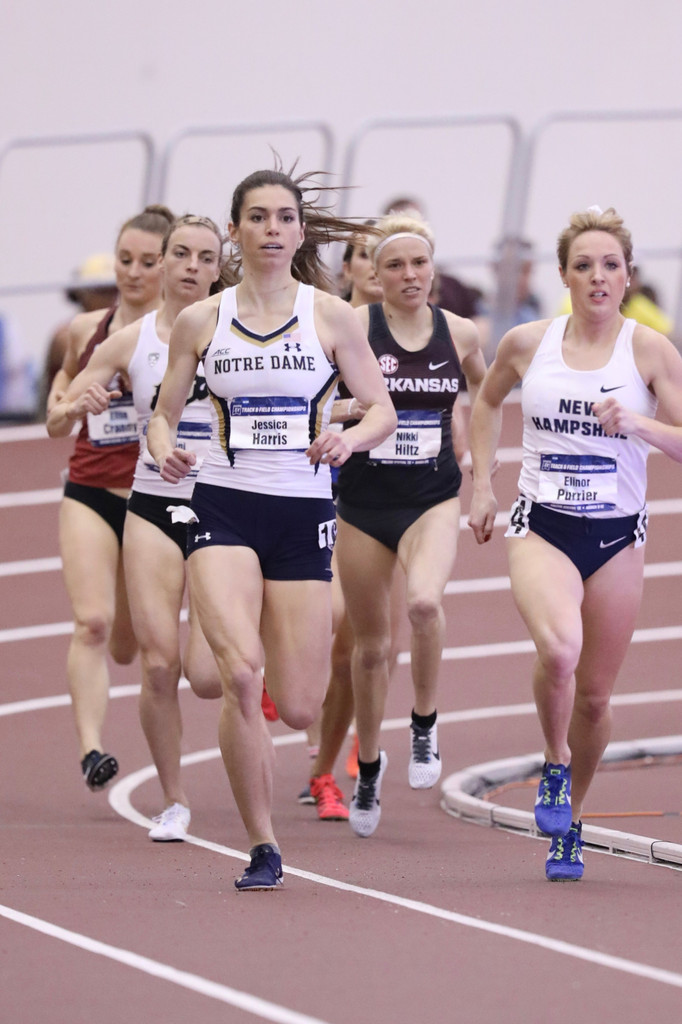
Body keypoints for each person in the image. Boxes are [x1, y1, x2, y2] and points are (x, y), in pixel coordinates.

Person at [146, 166, 397, 890]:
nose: (272, 230)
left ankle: (260, 704)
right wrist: (166, 452)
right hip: (221, 503)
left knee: (297, 705)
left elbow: (379, 409)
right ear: (236, 230)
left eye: (284, 218)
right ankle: (262, 844)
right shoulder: (204, 320)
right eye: (257, 217)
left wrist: (350, 440)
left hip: (302, 513)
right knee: (239, 675)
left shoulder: (332, 316)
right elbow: (163, 414)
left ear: (299, 232)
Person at [467, 205, 682, 881]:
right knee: (559, 649)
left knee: (595, 696)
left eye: (609, 266)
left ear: (628, 278)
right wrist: (481, 481)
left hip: (618, 536)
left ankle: (574, 817)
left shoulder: (649, 351)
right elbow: (484, 402)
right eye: (583, 265)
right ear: (563, 274)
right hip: (543, 525)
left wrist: (639, 427)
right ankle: (554, 762)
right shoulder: (528, 342)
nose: (597, 276)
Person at [48, 215, 226, 839]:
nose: (139, 270)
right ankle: (167, 795)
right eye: (175, 255)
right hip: (127, 497)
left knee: (208, 675)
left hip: (222, 505)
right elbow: (60, 407)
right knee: (147, 659)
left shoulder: (241, 329)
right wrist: (75, 404)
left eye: (200, 257)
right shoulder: (107, 337)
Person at [334, 213, 486, 838]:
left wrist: (484, 479)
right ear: (374, 274)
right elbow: (319, 397)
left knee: (424, 604)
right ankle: (368, 766)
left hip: (432, 497)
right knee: (371, 648)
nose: (409, 275)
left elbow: (487, 397)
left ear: (434, 268)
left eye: (418, 263)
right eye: (393, 265)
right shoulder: (354, 331)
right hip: (364, 506)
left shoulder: (463, 334)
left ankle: (424, 725)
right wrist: (354, 410)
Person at [45, 205, 172, 792]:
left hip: (154, 496)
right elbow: (54, 420)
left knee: (132, 644)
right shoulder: (82, 332)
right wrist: (75, 405)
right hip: (91, 489)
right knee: (92, 622)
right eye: (125, 260)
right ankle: (91, 749)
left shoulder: (186, 332)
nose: (134, 272)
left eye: (149, 262)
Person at [39, 253, 119, 417]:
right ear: (84, 294)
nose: (111, 297)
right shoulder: (66, 335)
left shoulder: (126, 330)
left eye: (114, 290)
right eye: (102, 291)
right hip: (65, 420)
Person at [381, 196, 480, 319]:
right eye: (395, 265)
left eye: (416, 222)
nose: (410, 274)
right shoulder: (375, 287)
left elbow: (478, 324)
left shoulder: (452, 286)